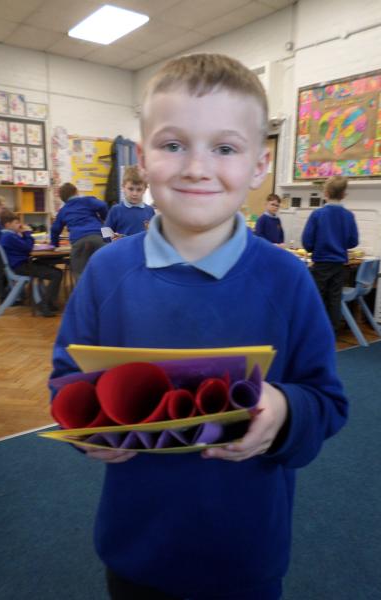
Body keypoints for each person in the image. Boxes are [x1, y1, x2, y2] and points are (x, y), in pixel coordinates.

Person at [51, 54, 348, 600]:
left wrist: (285, 410)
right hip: (136, 544)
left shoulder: (287, 279)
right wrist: (86, 426)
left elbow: (327, 401)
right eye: (173, 144)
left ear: (259, 165)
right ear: (143, 160)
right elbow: (66, 382)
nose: (195, 168)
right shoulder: (108, 273)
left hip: (244, 549)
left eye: (225, 148)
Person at [302, 175, 359, 332]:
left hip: (321, 263)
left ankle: (315, 331)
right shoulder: (348, 216)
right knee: (335, 299)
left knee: (317, 298)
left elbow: (307, 242)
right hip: (339, 265)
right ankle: (332, 332)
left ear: (325, 193)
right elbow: (353, 242)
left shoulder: (317, 215)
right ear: (344, 195)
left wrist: (314, 248)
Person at [0, 210, 62, 317]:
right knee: (56, 274)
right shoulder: (9, 236)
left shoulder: (9, 235)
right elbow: (28, 247)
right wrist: (27, 233)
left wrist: (24, 235)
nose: (19, 225)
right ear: (8, 225)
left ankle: (49, 302)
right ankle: (45, 305)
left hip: (22, 264)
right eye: (16, 223)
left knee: (54, 270)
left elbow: (25, 245)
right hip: (21, 267)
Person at [50, 183, 108, 278]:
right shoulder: (87, 200)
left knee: (80, 275)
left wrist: (54, 244)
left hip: (79, 242)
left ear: (62, 199)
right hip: (98, 238)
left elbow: (55, 229)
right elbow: (102, 205)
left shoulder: (63, 210)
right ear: (76, 191)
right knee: (104, 272)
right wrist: (105, 219)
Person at [104, 165, 155, 239]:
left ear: (145, 189)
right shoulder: (115, 210)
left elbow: (155, 235)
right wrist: (113, 238)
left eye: (139, 189)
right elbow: (105, 235)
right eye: (131, 189)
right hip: (122, 246)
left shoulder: (150, 210)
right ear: (123, 187)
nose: (134, 193)